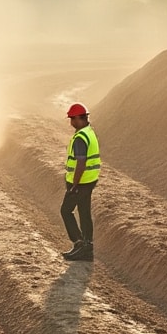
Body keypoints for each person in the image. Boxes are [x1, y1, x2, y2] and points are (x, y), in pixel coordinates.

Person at [60, 103, 101, 261]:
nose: (71, 122)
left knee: (66, 211)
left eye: (72, 119)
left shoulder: (80, 138)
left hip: (81, 182)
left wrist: (74, 185)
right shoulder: (89, 132)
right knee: (84, 213)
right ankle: (87, 247)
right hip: (89, 180)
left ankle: (79, 243)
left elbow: (81, 163)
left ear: (79, 118)